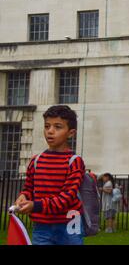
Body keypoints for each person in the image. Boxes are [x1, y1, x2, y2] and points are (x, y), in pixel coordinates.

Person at [14, 105, 86, 245]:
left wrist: (35, 205)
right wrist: (23, 197)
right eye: (47, 126)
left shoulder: (74, 162)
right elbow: (29, 188)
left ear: (71, 133)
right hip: (42, 225)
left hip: (69, 224)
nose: (50, 131)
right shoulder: (36, 160)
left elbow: (66, 198)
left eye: (57, 127)